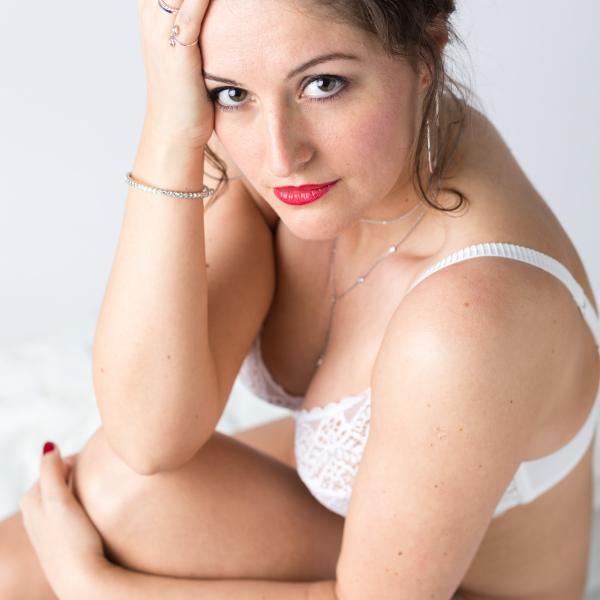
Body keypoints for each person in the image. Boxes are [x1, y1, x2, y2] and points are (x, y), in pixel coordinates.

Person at [1, 0, 598, 598]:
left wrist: (99, 588)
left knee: (117, 498)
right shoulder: (297, 152)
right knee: (27, 554)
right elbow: (148, 434)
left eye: (324, 84)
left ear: (429, 43)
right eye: (231, 93)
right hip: (332, 521)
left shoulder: (468, 321)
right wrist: (170, 127)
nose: (280, 157)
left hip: (451, 590)